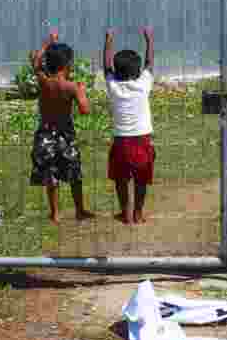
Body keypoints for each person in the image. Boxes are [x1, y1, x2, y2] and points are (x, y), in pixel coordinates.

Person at [28, 29, 95, 224]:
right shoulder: (72, 87)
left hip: (45, 133)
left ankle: (55, 213)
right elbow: (84, 110)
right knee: (74, 173)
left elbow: (36, 62)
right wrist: (82, 92)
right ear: (68, 65)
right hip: (65, 134)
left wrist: (48, 43)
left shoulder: (44, 81)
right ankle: (80, 210)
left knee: (50, 174)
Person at [103, 27, 156, 225]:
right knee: (141, 179)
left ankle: (125, 212)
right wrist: (149, 40)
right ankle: (138, 213)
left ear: (116, 71)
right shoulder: (143, 84)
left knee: (121, 179)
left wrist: (108, 40)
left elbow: (106, 66)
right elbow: (150, 63)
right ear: (138, 70)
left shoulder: (114, 87)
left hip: (121, 141)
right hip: (142, 140)